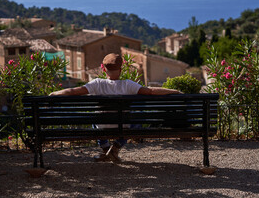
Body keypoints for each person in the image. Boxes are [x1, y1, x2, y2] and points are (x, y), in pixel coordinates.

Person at [49, 53, 180, 163]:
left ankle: (106, 150)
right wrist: (174, 91)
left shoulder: (97, 84)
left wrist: (55, 93)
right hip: (123, 127)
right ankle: (115, 148)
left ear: (104, 70)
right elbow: (151, 91)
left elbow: (73, 91)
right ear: (121, 70)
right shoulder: (128, 85)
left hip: (102, 127)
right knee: (135, 120)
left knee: (96, 120)